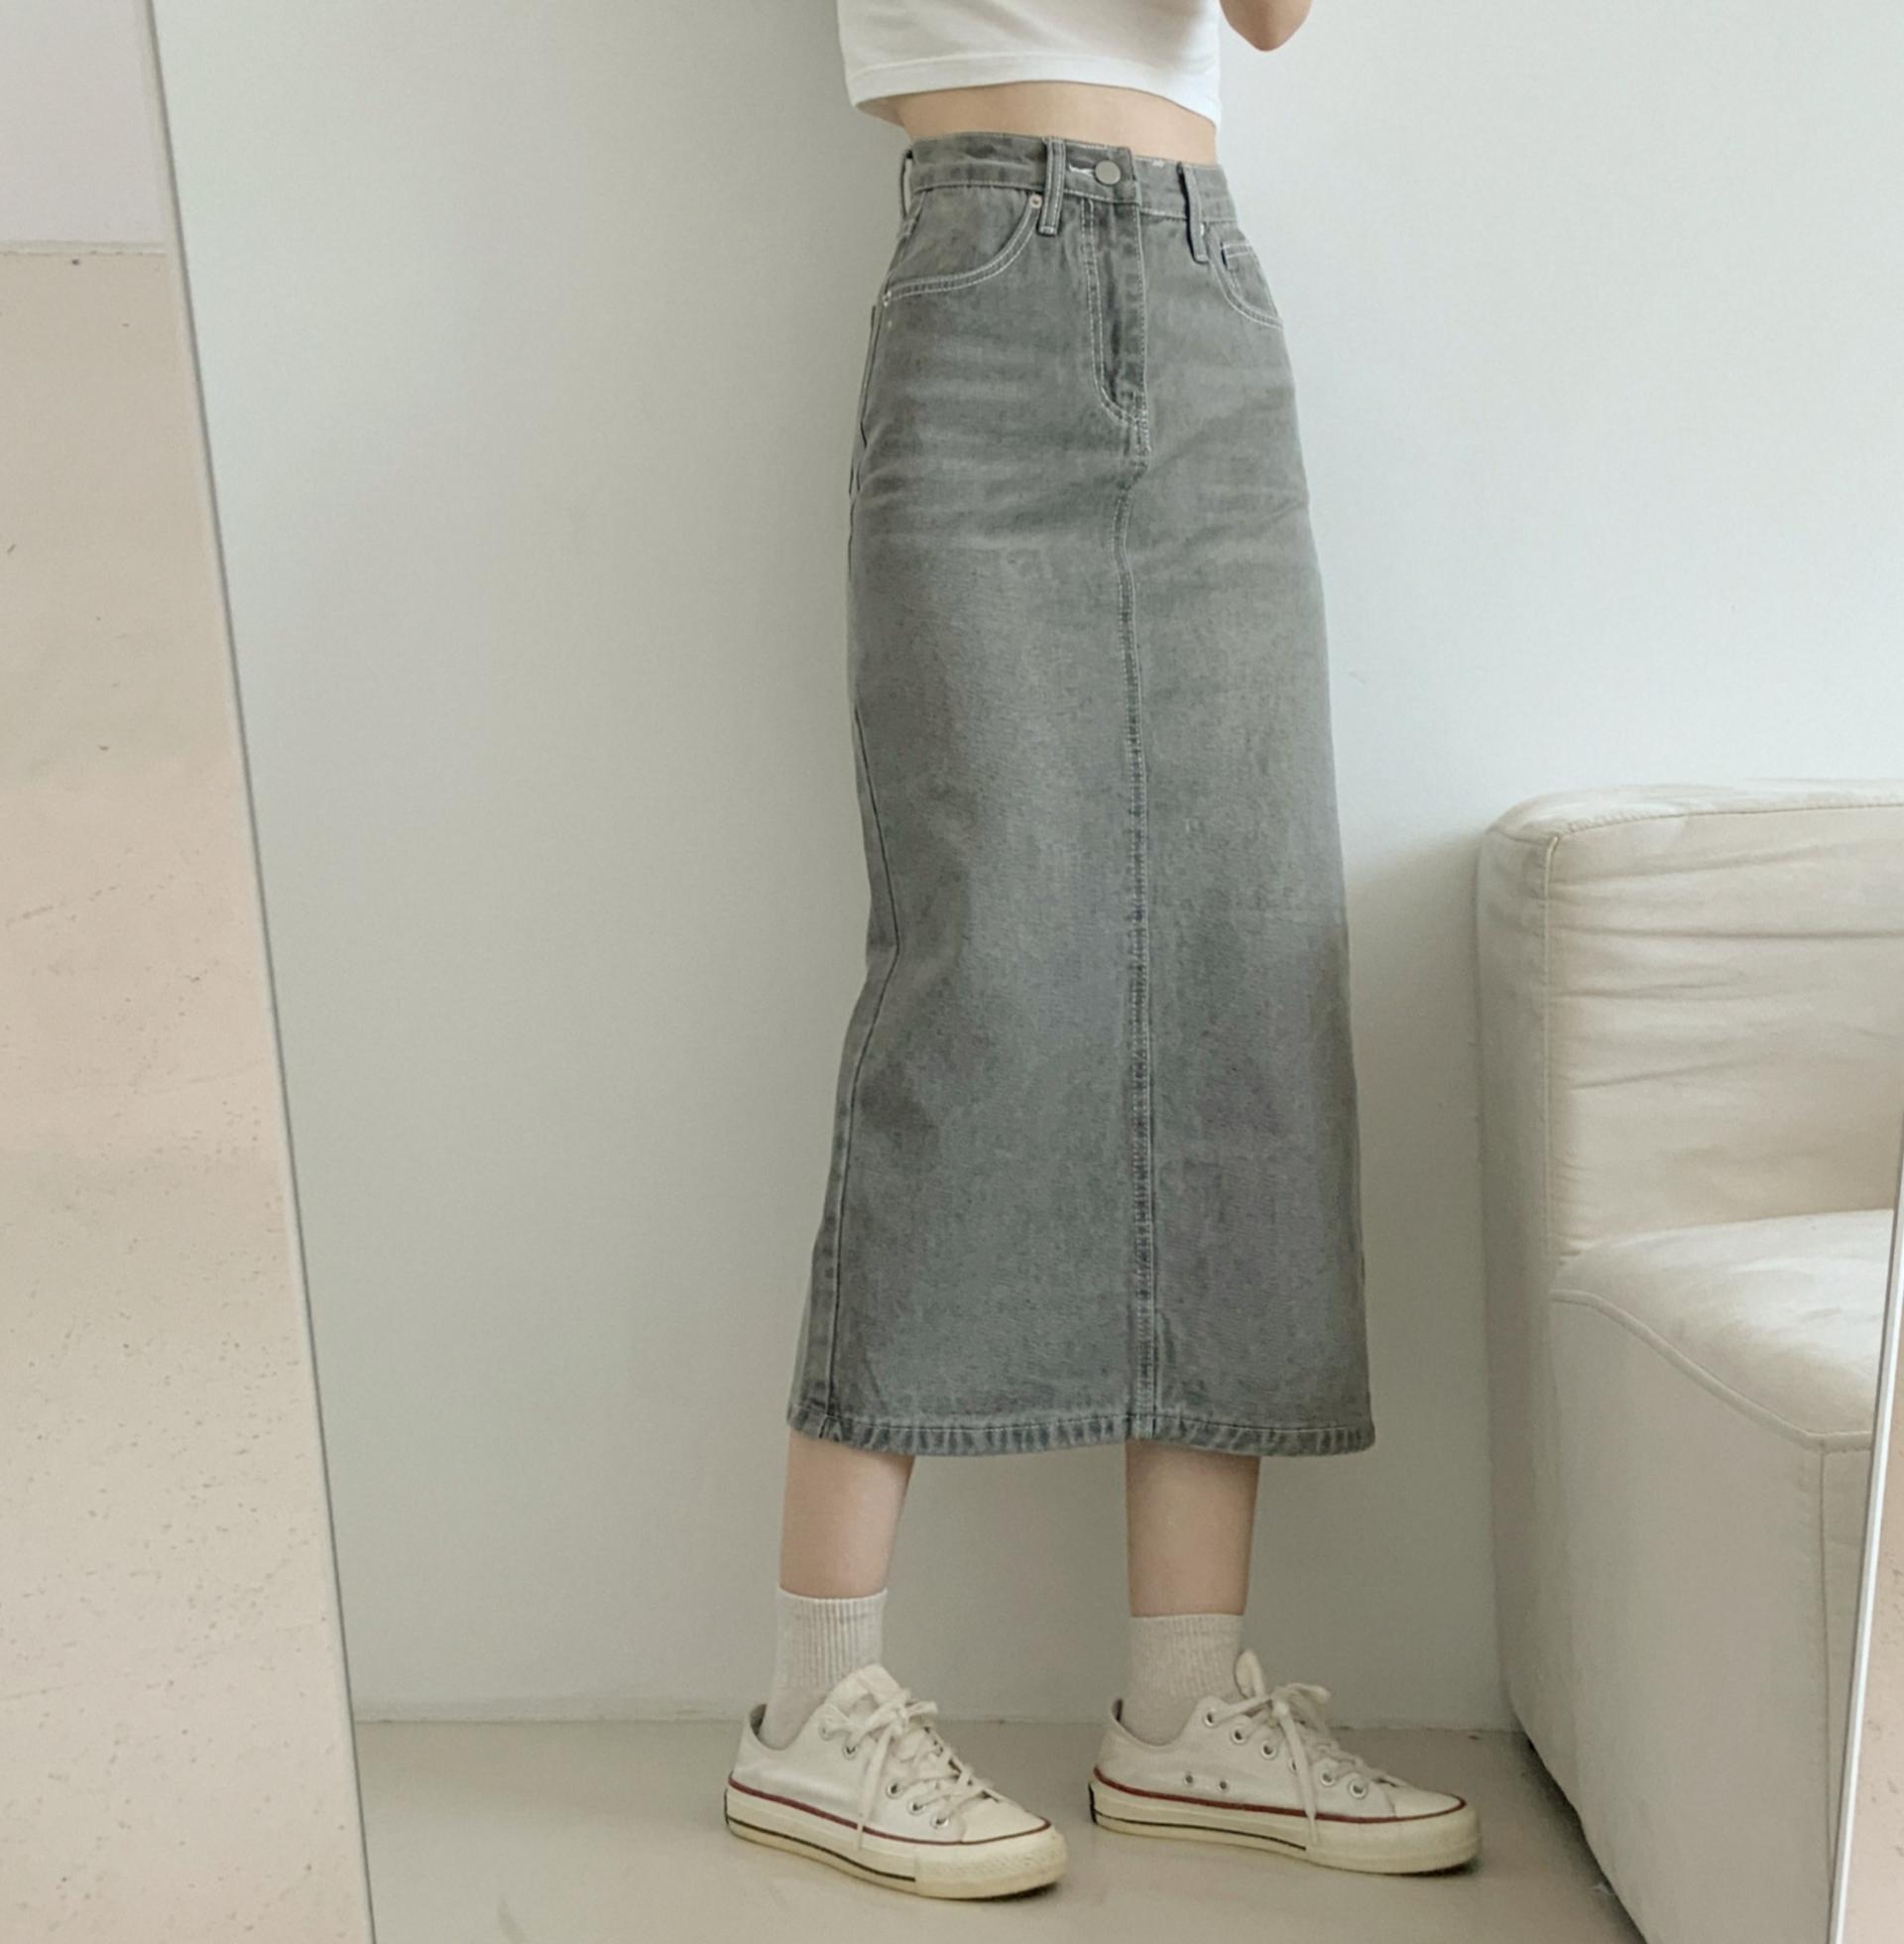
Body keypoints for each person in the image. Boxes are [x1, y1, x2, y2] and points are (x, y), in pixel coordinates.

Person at [723, 0, 1480, 1898]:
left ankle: (1184, 1712)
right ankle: (812, 1710)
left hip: (1208, 289)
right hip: (982, 280)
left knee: (1247, 974)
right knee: (980, 976)